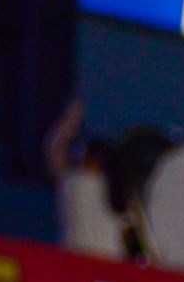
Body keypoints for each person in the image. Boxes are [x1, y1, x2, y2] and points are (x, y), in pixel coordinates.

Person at [44, 99, 125, 260]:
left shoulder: (80, 185)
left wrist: (70, 121)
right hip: (110, 268)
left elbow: (55, 155)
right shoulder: (123, 196)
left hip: (78, 265)